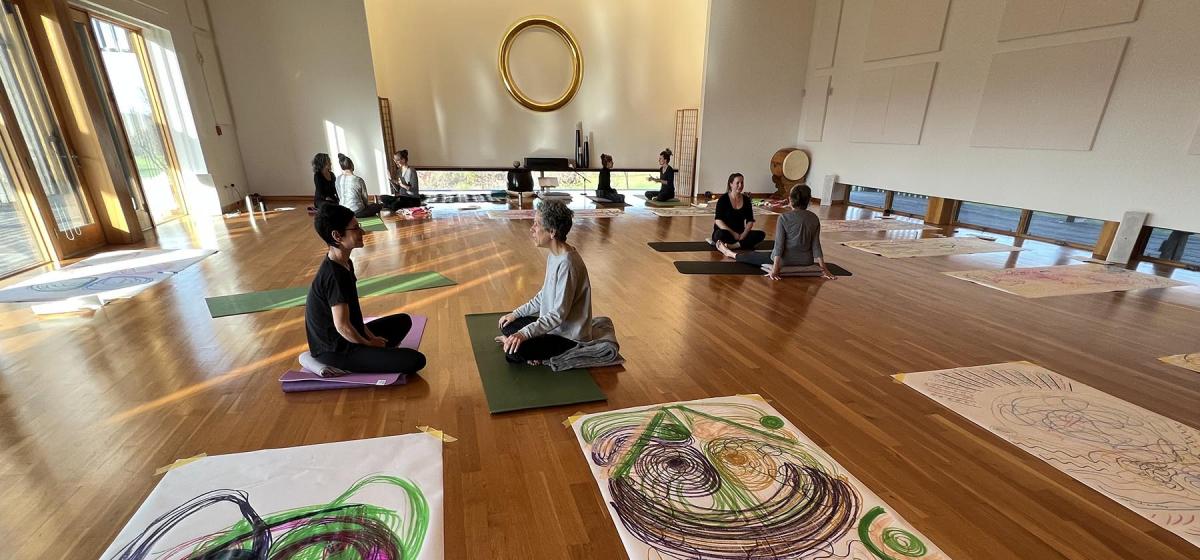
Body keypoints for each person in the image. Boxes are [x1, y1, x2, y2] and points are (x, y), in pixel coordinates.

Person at [305, 204, 427, 374]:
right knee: (416, 360)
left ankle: (373, 356)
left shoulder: (345, 263)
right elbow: (342, 327)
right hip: (335, 350)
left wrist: (370, 336)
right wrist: (369, 343)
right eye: (355, 228)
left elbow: (353, 317)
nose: (362, 232)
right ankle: (353, 361)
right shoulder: (334, 275)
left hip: (348, 336)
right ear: (337, 235)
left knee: (403, 321)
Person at [496, 201, 593, 364]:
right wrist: (516, 314)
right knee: (507, 324)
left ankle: (526, 349)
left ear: (552, 232)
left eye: (537, 224)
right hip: (554, 329)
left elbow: (557, 315)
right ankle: (514, 341)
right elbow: (544, 295)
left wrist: (523, 334)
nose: (532, 229)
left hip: (568, 337)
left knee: (513, 352)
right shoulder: (555, 255)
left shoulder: (567, 264)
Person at [718, 184, 835, 280]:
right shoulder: (814, 218)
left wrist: (775, 270)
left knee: (753, 256)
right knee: (766, 252)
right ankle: (732, 250)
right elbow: (816, 246)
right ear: (808, 200)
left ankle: (730, 253)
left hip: (784, 260)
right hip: (806, 261)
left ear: (790, 200)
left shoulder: (784, 218)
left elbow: (779, 246)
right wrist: (824, 268)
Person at [712, 172, 765, 250]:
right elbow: (718, 220)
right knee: (719, 235)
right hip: (726, 232)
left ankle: (734, 245)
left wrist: (744, 234)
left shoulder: (746, 200)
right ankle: (739, 243)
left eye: (742, 183)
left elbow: (750, 220)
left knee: (760, 234)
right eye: (737, 183)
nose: (740, 185)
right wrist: (733, 234)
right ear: (731, 184)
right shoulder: (723, 199)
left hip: (740, 233)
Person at [334, 154, 383, 218]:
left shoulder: (338, 179)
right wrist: (367, 206)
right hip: (357, 211)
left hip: (343, 211)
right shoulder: (358, 180)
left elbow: (339, 195)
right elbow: (365, 198)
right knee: (377, 206)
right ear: (352, 165)